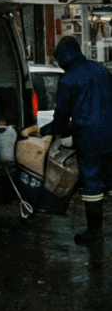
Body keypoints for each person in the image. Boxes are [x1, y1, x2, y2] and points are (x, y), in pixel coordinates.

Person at [41, 36, 112, 245]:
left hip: (88, 138)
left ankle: (94, 232)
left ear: (63, 57)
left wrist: (53, 131)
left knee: (91, 183)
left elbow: (62, 115)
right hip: (110, 134)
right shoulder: (101, 70)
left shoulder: (68, 79)